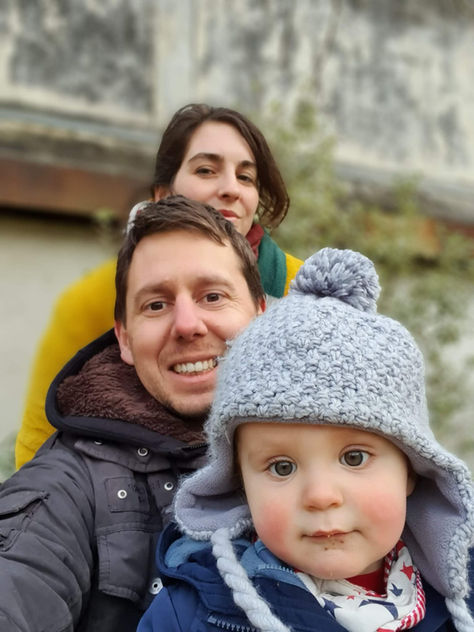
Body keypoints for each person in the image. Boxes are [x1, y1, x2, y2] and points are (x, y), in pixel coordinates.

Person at [138, 248, 474, 632]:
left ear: (411, 469)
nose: (320, 495)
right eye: (282, 467)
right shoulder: (187, 616)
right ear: (240, 483)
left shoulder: (461, 599)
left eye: (354, 458)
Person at [0, 196, 265, 632]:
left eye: (213, 296)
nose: (187, 324)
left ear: (260, 312)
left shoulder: (333, 439)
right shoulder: (66, 489)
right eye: (156, 305)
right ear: (123, 338)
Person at [16, 103, 303, 469]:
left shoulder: (302, 287)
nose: (231, 188)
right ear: (163, 193)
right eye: (206, 170)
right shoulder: (91, 300)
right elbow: (40, 441)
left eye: (246, 177)